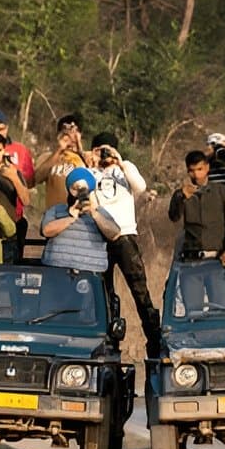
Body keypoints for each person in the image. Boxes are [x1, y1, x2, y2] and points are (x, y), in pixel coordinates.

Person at [87, 131, 161, 358]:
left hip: (126, 235)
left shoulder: (124, 168)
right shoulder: (90, 173)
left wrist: (120, 161)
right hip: (99, 237)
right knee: (104, 291)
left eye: (108, 149)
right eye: (100, 150)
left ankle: (154, 338)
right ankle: (108, 339)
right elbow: (81, 191)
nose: (105, 154)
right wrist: (90, 163)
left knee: (139, 289)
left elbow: (140, 187)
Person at [168, 150, 225, 312]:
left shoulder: (222, 192)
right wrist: (181, 197)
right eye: (191, 170)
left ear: (207, 168)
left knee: (219, 311)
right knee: (193, 312)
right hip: (192, 262)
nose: (196, 175)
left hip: (216, 261)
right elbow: (174, 217)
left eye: (199, 169)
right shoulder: (182, 194)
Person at [41, 167, 121, 273]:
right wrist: (70, 218)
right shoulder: (56, 209)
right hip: (57, 270)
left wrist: (94, 214)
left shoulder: (99, 212)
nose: (80, 194)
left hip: (90, 273)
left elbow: (115, 234)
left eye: (84, 189)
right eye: (75, 189)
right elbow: (46, 231)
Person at [0, 132, 32, 261]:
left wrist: (13, 178)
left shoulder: (13, 173)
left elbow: (26, 200)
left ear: (4, 151)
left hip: (8, 237)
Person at [34, 113, 88, 209]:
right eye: (66, 133)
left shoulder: (87, 157)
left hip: (78, 218)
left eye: (75, 132)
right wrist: (59, 150)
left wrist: (79, 149)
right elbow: (36, 178)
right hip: (53, 216)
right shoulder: (47, 157)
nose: (71, 137)